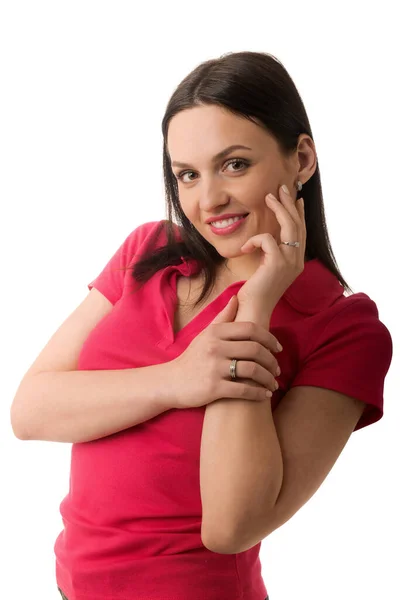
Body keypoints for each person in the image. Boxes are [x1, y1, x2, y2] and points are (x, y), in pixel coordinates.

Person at [11, 51, 392, 600]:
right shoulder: (150, 250)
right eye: (187, 174)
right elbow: (30, 412)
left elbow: (231, 527)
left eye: (234, 164)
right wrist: (178, 380)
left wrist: (258, 303)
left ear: (302, 158)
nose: (207, 199)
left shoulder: (345, 328)